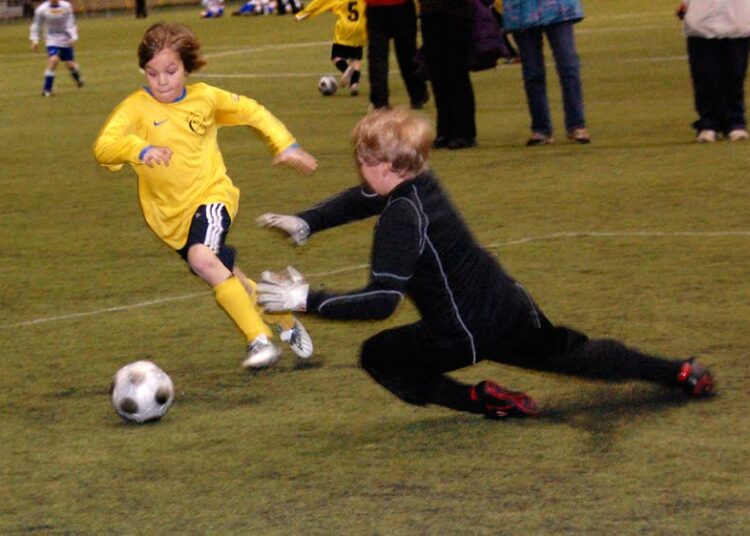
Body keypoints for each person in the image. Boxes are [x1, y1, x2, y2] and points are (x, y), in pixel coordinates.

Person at [255, 107, 715, 419]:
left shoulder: (400, 217)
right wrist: (309, 221)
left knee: (378, 356)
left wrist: (306, 299)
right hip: (508, 305)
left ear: (383, 166)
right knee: (575, 354)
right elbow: (365, 197)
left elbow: (380, 301)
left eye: (362, 158)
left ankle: (479, 400)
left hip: (460, 334)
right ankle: (678, 371)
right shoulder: (420, 180)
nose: (358, 165)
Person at [93, 23, 318, 370]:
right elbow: (104, 148)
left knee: (202, 258)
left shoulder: (206, 98)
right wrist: (140, 149)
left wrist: (285, 143)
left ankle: (259, 340)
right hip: (170, 220)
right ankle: (283, 316)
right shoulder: (135, 108)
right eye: (153, 73)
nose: (162, 81)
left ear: (186, 67)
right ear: (143, 71)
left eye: (171, 71)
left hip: (212, 198)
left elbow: (253, 111)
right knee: (228, 276)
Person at [502, 0, 590, 146]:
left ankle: (576, 125)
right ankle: (541, 129)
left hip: (557, 9)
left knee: (568, 67)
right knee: (532, 73)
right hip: (521, 12)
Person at [677, 0, 750, 143]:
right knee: (705, 76)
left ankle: (735, 121)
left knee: (734, 75)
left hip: (738, 21)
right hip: (701, 23)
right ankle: (708, 123)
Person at [418, 0, 476, 150]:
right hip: (430, 12)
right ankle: (445, 129)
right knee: (437, 74)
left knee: (457, 72)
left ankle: (465, 131)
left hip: (456, 13)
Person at [295, 0, 367, 96]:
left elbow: (319, 3)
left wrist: (303, 13)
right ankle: (354, 85)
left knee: (336, 57)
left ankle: (347, 70)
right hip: (361, 29)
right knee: (356, 59)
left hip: (344, 30)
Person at [365, 0, 428, 110]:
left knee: (377, 57)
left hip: (376, 7)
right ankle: (417, 94)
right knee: (407, 53)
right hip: (402, 7)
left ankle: (380, 100)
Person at [29, 0, 84, 97]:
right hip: (51, 38)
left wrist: (73, 37)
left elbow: (71, 22)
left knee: (70, 64)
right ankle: (47, 90)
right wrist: (35, 40)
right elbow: (36, 25)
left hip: (65, 37)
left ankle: (78, 79)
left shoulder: (66, 6)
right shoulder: (42, 9)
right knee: (54, 60)